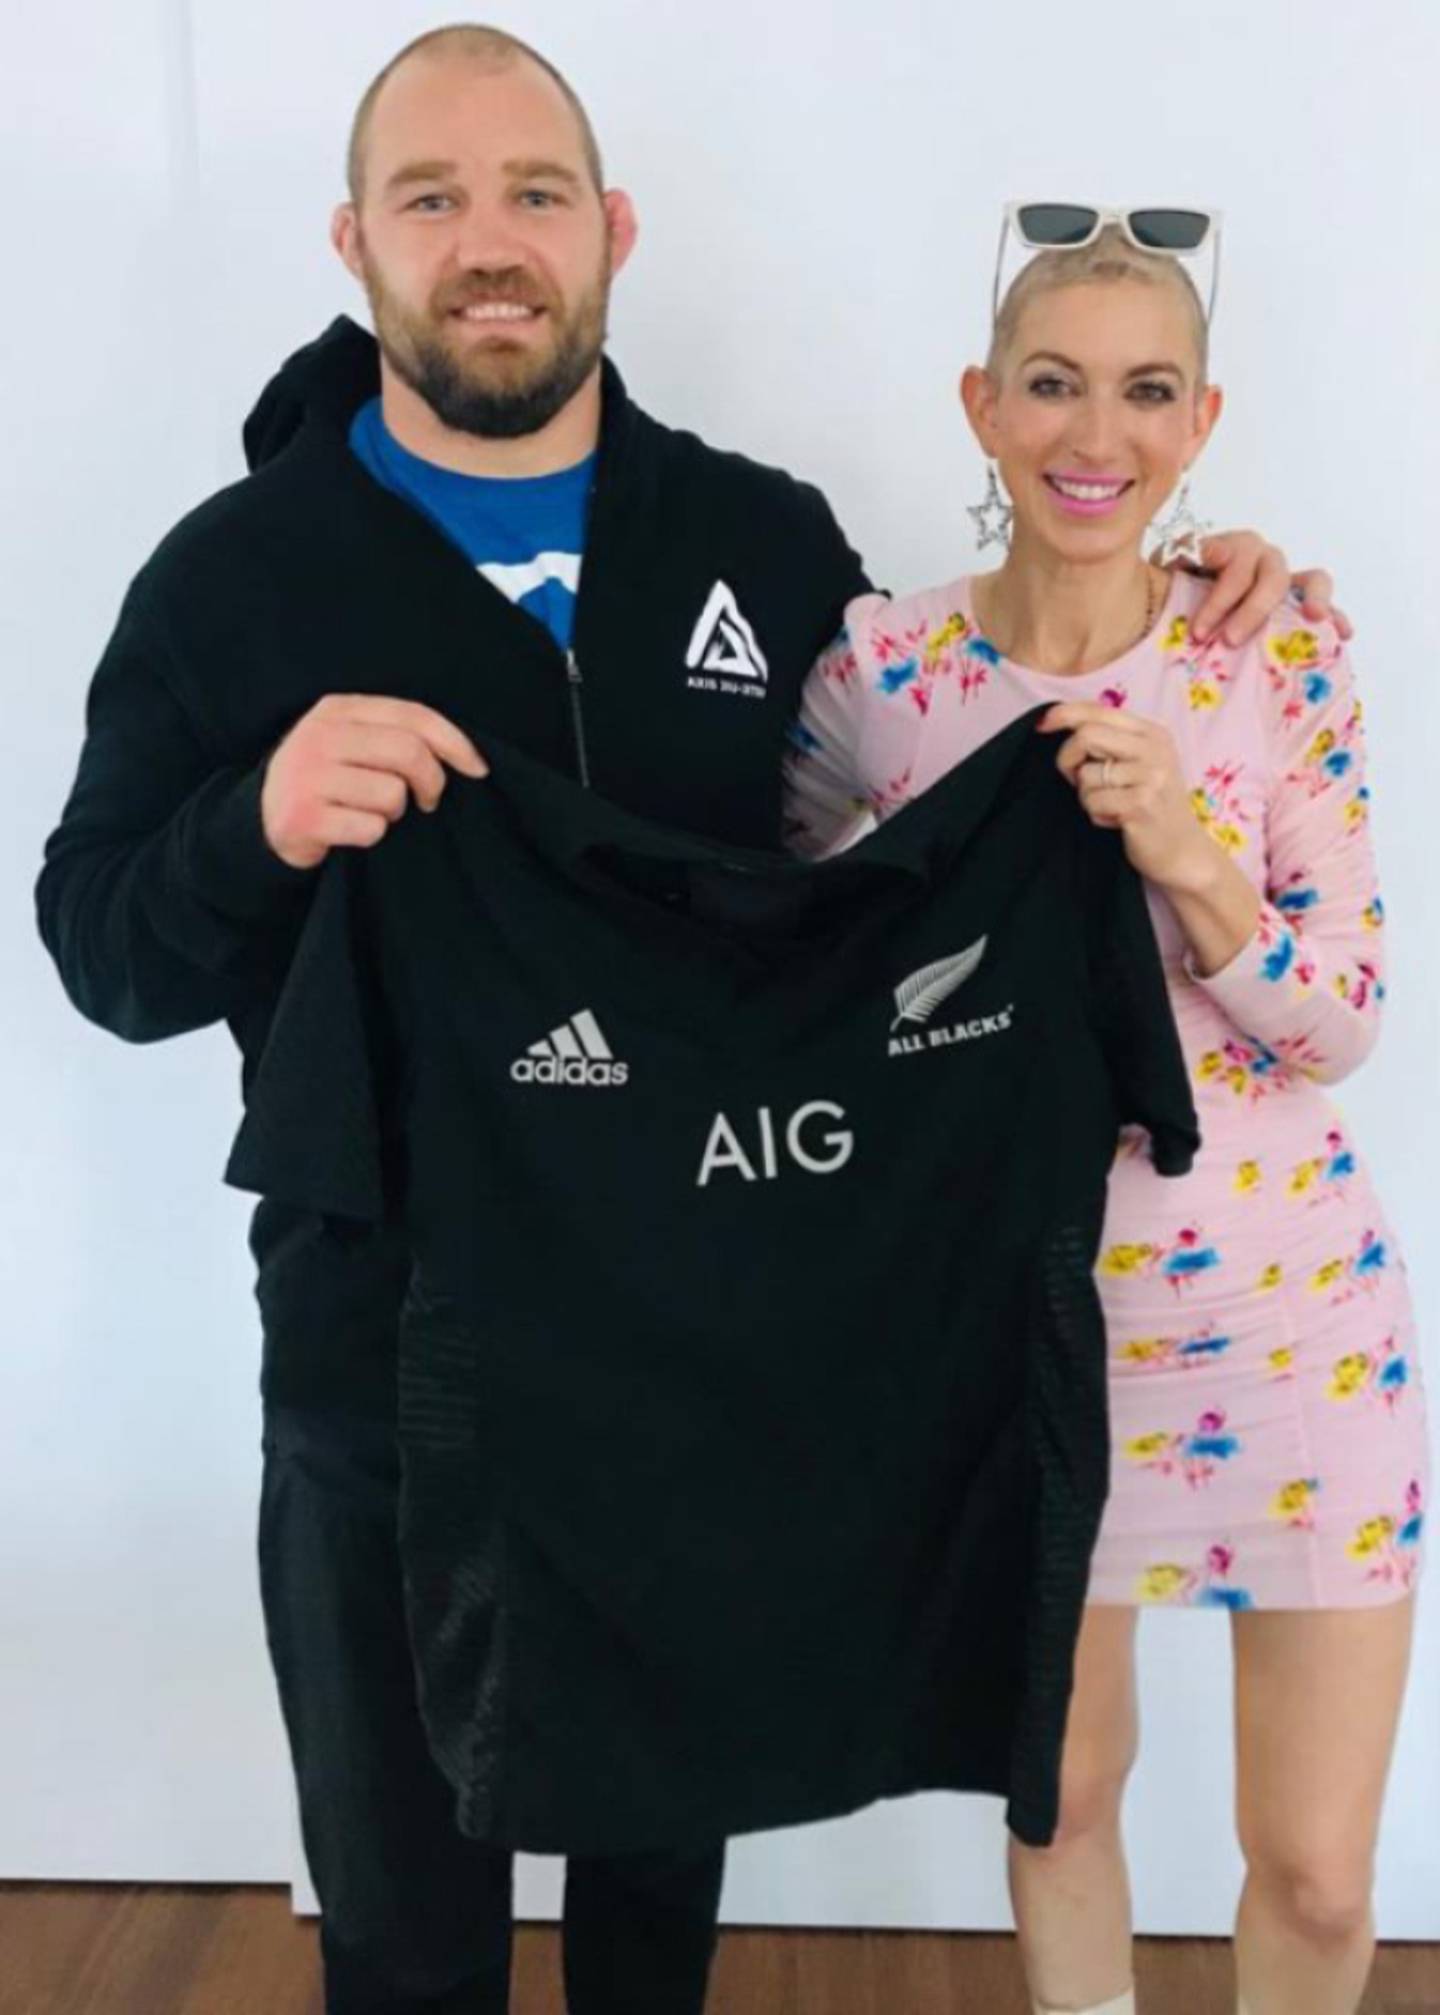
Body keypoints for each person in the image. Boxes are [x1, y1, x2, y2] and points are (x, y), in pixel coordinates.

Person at [35, 21, 1340, 2012]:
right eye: (435, 197)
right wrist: (253, 822)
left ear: (612, 230)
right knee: (407, 1944)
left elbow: (937, 777)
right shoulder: (238, 584)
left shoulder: (757, 542)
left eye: (536, 192)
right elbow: (97, 949)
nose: (492, 240)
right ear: (352, 241)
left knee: (656, 1940)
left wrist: (1190, 579)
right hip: (394, 1383)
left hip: (704, 1377)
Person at [782, 219, 1426, 2015]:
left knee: (1311, 1867)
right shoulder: (882, 680)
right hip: (1014, 1326)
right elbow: (778, 967)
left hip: (1292, 1324)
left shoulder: (1274, 656)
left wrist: (1191, 861)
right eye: (1053, 383)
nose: (1098, 432)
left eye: (1147, 390)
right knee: (1057, 1801)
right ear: (983, 408)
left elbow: (1345, 1021)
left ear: (1201, 416)